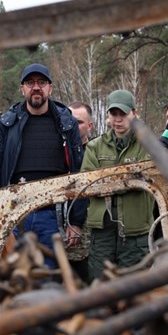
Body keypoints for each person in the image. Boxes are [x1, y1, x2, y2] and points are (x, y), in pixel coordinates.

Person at [0, 63, 86, 269]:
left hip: (52, 215)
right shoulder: (7, 124)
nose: (36, 87)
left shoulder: (66, 123)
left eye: (41, 82)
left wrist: (76, 221)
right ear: (22, 89)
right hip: (14, 213)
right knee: (14, 275)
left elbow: (78, 171)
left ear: (50, 88)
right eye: (30, 83)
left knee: (50, 277)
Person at [83, 90, 155, 281]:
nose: (118, 119)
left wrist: (109, 181)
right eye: (114, 114)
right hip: (102, 231)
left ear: (134, 114)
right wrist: (128, 180)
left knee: (134, 288)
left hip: (135, 231)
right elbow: (88, 183)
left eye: (123, 114)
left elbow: (149, 178)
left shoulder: (147, 145)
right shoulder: (94, 147)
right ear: (108, 116)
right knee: (99, 286)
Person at [66, 101, 95, 281]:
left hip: (87, 233)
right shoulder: (59, 150)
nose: (73, 126)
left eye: (79, 122)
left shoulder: (95, 151)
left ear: (90, 126)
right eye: (70, 121)